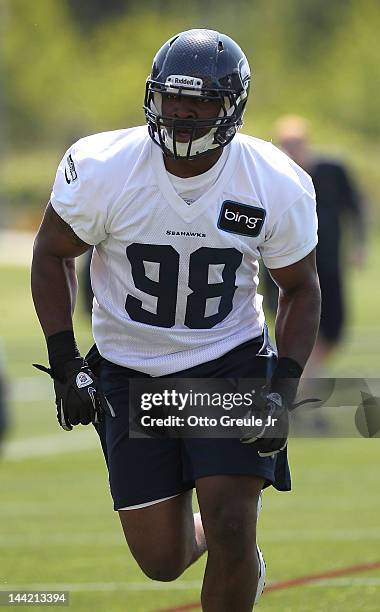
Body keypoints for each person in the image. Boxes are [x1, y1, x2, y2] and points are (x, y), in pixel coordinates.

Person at [31, 29, 320, 611]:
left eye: (202, 101)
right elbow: (51, 253)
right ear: (152, 97)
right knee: (161, 560)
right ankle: (230, 549)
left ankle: (237, 550)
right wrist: (66, 362)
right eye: (172, 98)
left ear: (232, 106)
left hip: (227, 362)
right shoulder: (104, 167)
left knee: (234, 521)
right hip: (129, 370)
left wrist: (282, 387)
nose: (183, 113)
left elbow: (300, 288)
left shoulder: (275, 182)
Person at [265, 115, 366, 372]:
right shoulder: (272, 175)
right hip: (284, 264)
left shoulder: (332, 170)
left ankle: (306, 383)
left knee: (333, 329)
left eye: (297, 142)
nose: (293, 148)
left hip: (328, 263)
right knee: (291, 326)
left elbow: (355, 206)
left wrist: (359, 245)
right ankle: (305, 390)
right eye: (287, 143)